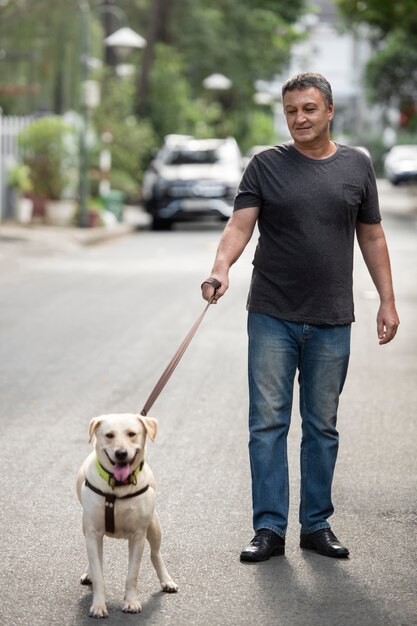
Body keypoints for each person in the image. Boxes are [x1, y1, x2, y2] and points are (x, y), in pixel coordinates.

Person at [201, 72, 399, 562]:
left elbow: (371, 236)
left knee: (322, 425)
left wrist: (387, 300)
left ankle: (316, 525)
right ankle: (268, 528)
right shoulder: (265, 165)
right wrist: (220, 268)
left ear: (330, 111)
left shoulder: (356, 166)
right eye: (291, 111)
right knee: (267, 423)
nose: (299, 119)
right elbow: (239, 225)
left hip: (332, 317)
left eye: (309, 109)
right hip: (272, 312)